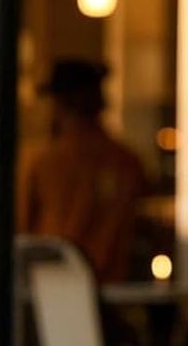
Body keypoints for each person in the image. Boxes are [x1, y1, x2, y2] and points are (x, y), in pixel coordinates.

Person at [16, 59, 147, 284]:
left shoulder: (43, 162)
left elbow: (22, 229)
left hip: (52, 290)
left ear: (60, 104)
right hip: (112, 294)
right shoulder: (127, 163)